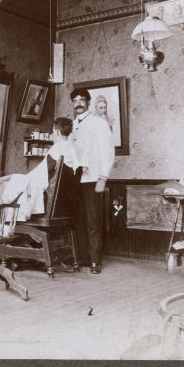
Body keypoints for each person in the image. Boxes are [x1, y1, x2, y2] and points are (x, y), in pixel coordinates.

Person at [70, 88, 115, 274]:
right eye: (75, 100)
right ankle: (81, 259)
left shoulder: (99, 123)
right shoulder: (72, 125)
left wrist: (103, 178)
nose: (79, 103)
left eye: (82, 100)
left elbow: (108, 151)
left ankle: (95, 261)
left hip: (93, 178)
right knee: (78, 221)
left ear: (88, 102)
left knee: (93, 220)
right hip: (74, 180)